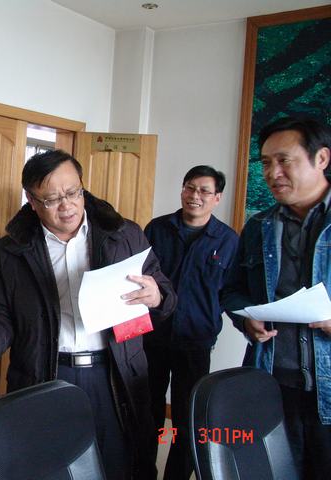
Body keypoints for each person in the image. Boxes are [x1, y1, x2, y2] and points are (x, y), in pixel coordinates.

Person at [0, 149, 177, 480]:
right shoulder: (11, 250)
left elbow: (165, 293)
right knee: (49, 466)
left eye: (73, 193)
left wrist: (157, 296)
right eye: (52, 199)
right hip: (45, 372)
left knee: (118, 463)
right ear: (32, 200)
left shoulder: (123, 234)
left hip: (113, 373)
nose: (67, 206)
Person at [221, 116, 331, 479]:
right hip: (272, 383)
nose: (273, 173)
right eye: (266, 163)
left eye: (284, 160)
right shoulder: (259, 226)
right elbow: (231, 290)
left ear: (321, 159)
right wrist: (245, 319)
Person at [143, 165, 238, 480]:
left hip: (195, 342)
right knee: (148, 410)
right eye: (189, 187)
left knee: (187, 417)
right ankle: (142, 469)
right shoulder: (157, 229)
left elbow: (230, 292)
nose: (195, 196)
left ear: (217, 198)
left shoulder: (227, 240)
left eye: (204, 191)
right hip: (153, 336)